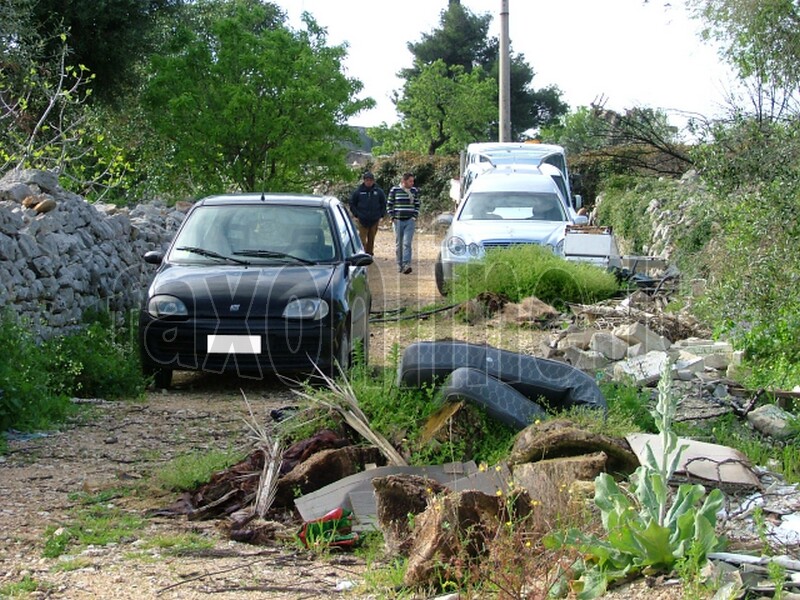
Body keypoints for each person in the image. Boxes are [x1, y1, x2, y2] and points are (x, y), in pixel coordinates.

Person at [387, 172, 420, 274]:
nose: (412, 183)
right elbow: (389, 204)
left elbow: (417, 204)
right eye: (410, 181)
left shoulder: (414, 191)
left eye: (413, 181)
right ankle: (399, 264)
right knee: (399, 244)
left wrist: (414, 216)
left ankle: (406, 264)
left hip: (409, 221)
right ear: (403, 181)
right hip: (398, 221)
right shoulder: (395, 190)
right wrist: (392, 217)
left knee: (407, 243)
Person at [348, 171, 386, 255]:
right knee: (362, 239)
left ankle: (369, 254)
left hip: (374, 219)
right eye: (367, 180)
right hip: (362, 219)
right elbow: (352, 203)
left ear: (373, 181)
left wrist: (381, 215)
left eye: (370, 180)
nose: (369, 182)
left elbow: (383, 203)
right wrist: (356, 214)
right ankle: (362, 254)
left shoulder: (378, 192)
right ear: (364, 181)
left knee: (371, 239)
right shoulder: (358, 192)